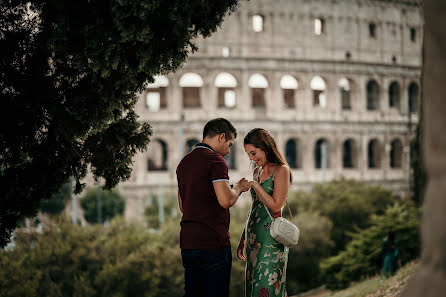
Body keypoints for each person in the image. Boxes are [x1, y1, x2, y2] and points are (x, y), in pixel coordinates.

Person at [176, 118, 251, 297]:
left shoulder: (184, 163)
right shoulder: (215, 161)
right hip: (212, 243)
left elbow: (183, 205)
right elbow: (225, 200)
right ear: (221, 137)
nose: (228, 151)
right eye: (230, 144)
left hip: (188, 243)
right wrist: (239, 188)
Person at [237, 128, 292, 297]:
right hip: (254, 238)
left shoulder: (281, 170)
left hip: (271, 239)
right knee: (253, 285)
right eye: (248, 154)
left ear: (265, 147)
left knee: (269, 286)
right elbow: (256, 207)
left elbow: (276, 206)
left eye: (253, 153)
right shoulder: (257, 172)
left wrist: (255, 185)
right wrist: (243, 237)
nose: (251, 159)